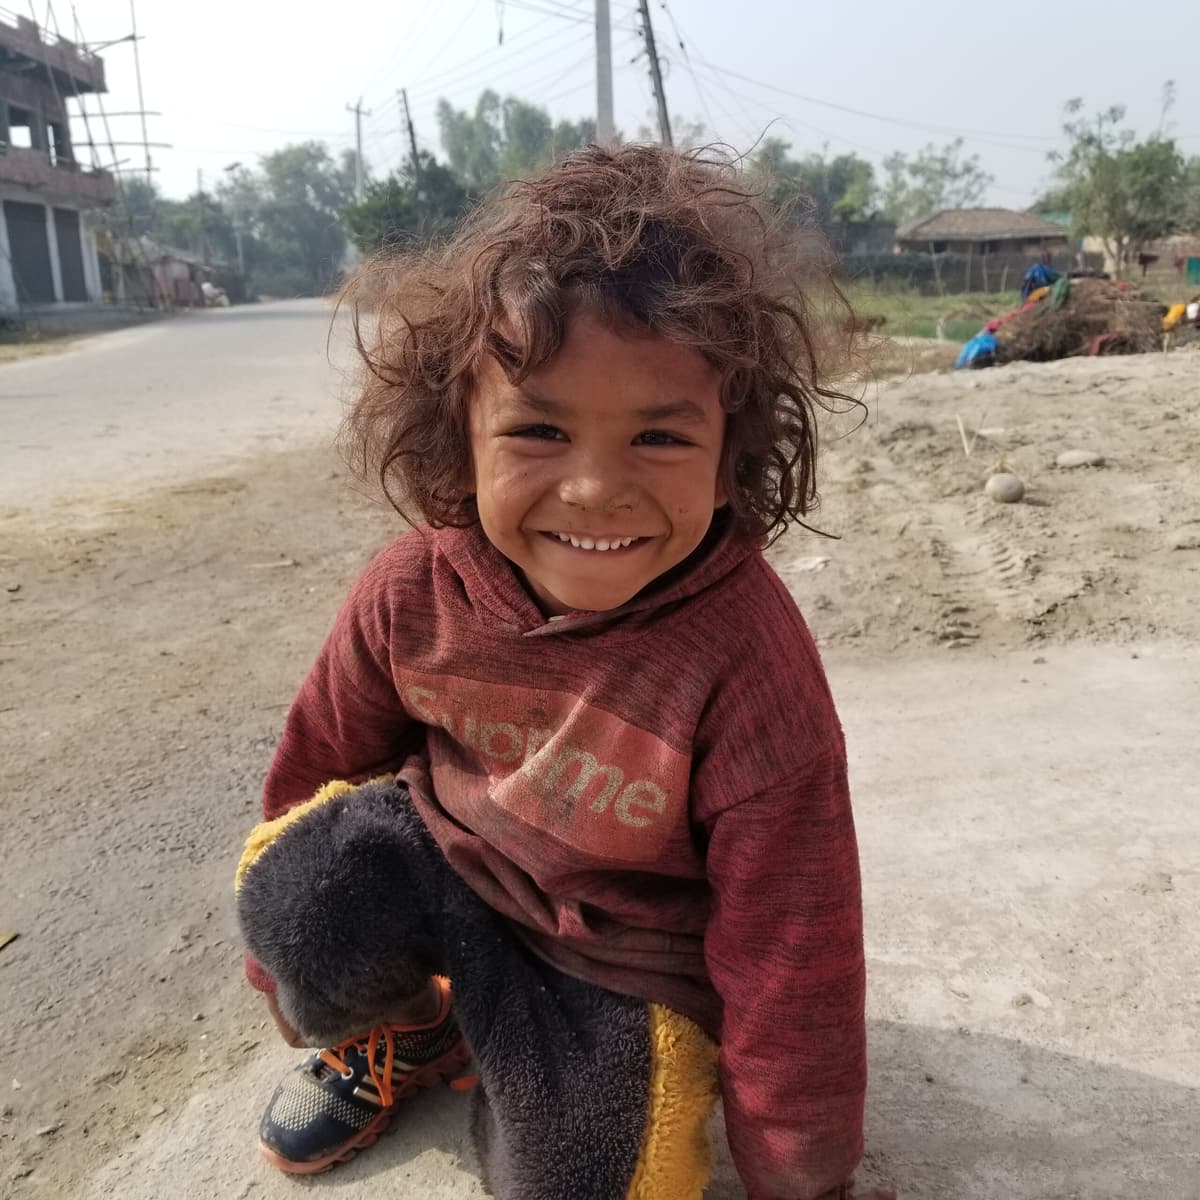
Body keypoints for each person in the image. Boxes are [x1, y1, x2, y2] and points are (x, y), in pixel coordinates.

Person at [240, 143, 893, 1200]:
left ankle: (558, 1076)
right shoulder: (412, 590)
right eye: (539, 428)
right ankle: (410, 1035)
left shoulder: (745, 660)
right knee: (310, 888)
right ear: (460, 435)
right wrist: (294, 960)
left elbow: (793, 956)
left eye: (659, 437)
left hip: (618, 972)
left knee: (587, 1184)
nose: (595, 489)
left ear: (733, 452)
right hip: (453, 883)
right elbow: (316, 775)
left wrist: (800, 1180)